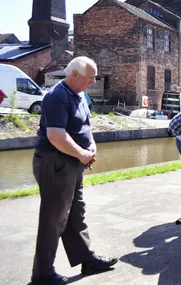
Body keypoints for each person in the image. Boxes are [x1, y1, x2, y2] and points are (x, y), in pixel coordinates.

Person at [31, 57, 117, 285]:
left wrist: (91, 148)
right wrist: (81, 153)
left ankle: (86, 259)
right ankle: (42, 274)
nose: (93, 81)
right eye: (90, 78)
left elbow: (85, 126)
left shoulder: (79, 94)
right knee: (54, 219)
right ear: (75, 74)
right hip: (55, 163)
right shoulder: (56, 96)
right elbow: (56, 136)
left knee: (76, 214)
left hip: (72, 163)